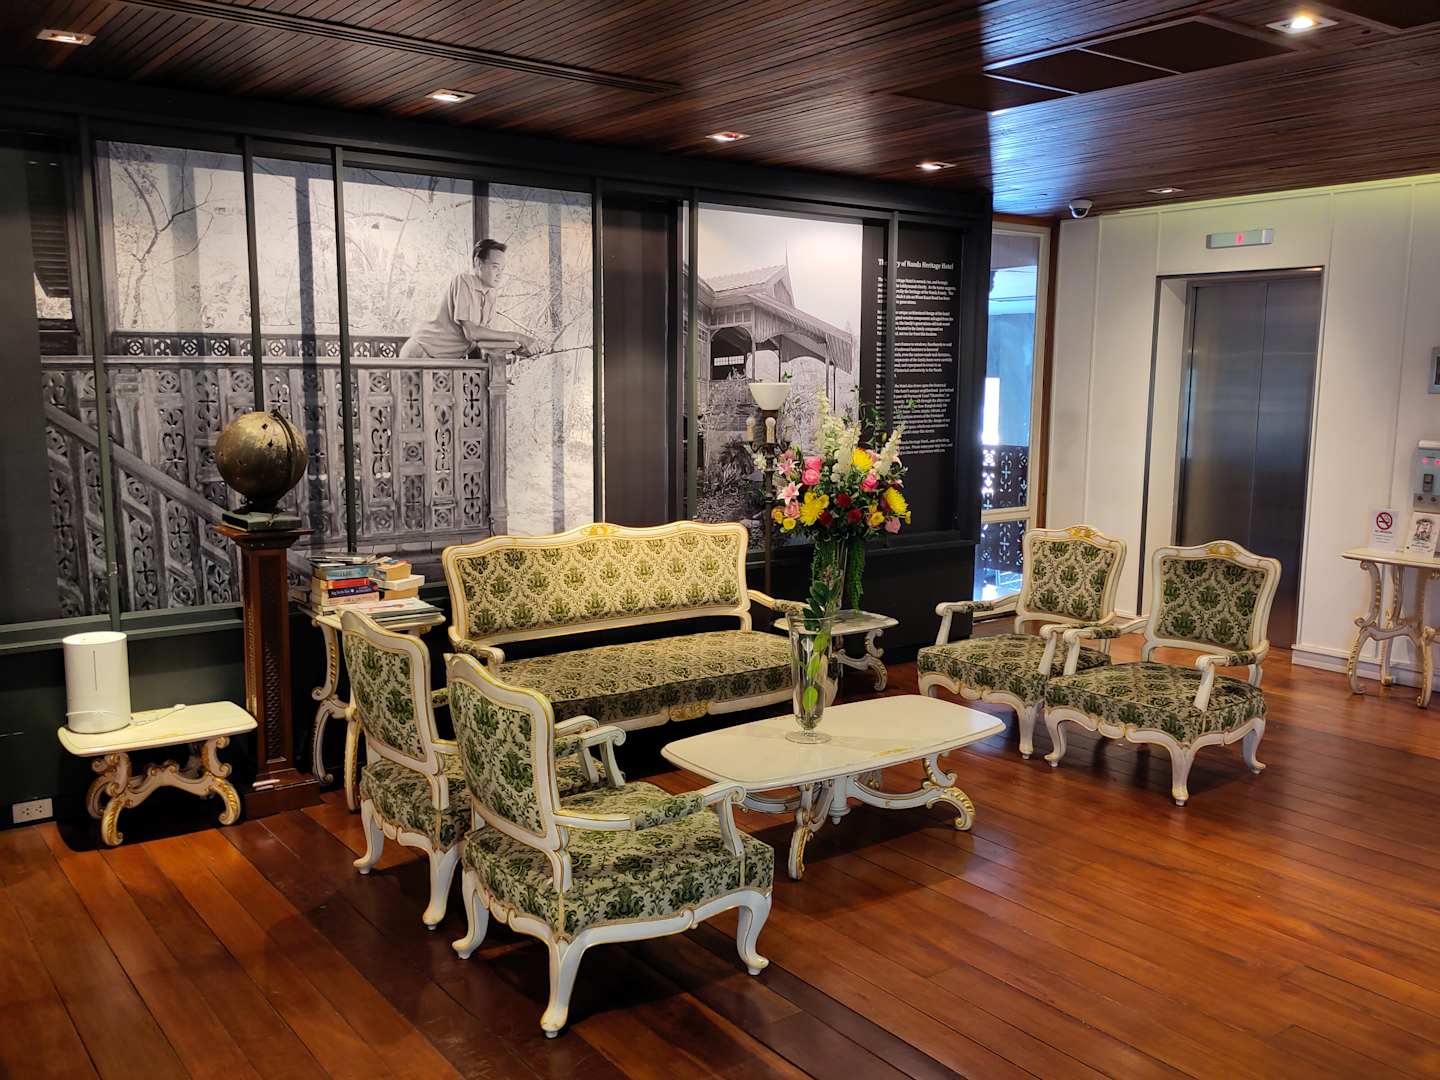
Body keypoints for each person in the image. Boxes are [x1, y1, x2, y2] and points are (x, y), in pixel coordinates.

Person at [399, 238, 538, 359]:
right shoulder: (464, 282)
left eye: (502, 269)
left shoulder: (491, 295)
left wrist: (516, 349)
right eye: (495, 267)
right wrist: (519, 337)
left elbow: (485, 338)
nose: (499, 274)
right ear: (478, 263)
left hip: (443, 360)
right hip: (421, 352)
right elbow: (472, 333)